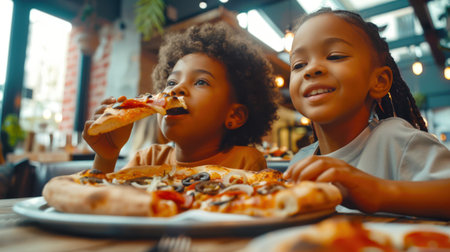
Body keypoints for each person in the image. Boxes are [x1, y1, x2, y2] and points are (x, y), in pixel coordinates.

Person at [283, 8, 450, 219]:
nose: (311, 69)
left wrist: (380, 192)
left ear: (379, 81)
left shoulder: (396, 140)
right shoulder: (300, 161)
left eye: (335, 56)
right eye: (299, 65)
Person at [83, 22, 278, 173]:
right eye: (170, 83)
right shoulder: (148, 159)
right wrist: (106, 157)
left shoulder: (245, 161)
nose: (176, 90)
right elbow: (104, 207)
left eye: (201, 82)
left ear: (234, 116)